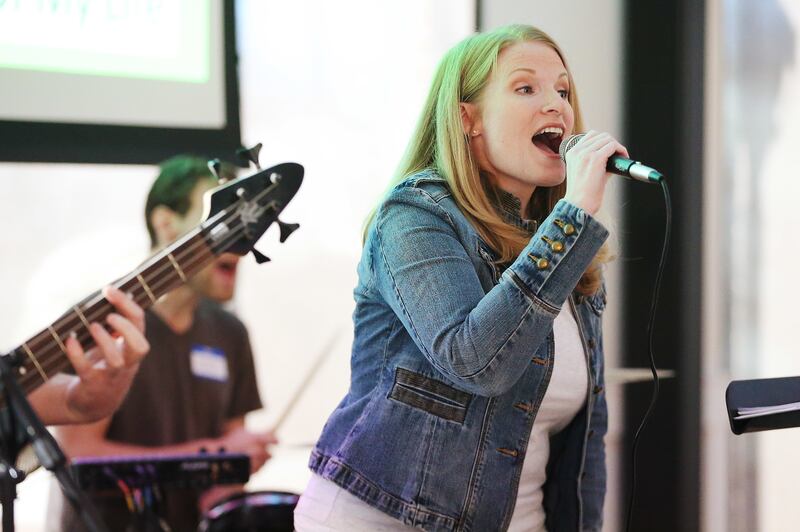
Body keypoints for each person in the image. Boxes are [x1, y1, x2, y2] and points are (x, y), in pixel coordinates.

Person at [294, 24, 624, 532]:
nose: (556, 106)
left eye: (562, 91)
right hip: (386, 517)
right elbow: (476, 363)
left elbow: (585, 443)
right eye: (526, 88)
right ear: (467, 119)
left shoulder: (564, 246)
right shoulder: (415, 216)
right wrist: (573, 216)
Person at [53, 156, 277, 531]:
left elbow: (230, 453)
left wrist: (229, 476)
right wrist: (209, 458)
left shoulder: (231, 332)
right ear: (165, 223)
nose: (243, 236)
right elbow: (78, 455)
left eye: (246, 220)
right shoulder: (105, 320)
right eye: (223, 218)